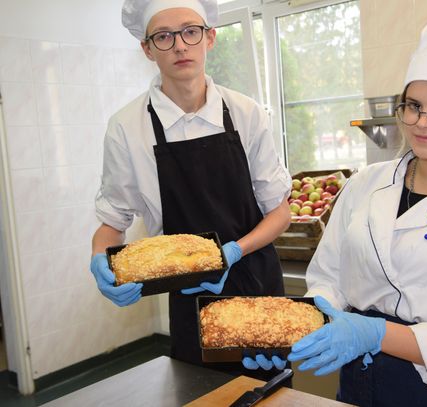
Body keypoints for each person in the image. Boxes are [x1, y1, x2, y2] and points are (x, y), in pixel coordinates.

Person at [245, 10, 427, 406]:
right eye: (412, 105)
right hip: (360, 379)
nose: (422, 121)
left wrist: (375, 333)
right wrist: (307, 322)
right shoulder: (366, 184)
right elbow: (328, 272)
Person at [89, 0, 292, 378]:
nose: (180, 45)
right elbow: (112, 224)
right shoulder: (126, 128)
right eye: (163, 37)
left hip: (259, 284)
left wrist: (231, 253)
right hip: (190, 294)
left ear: (209, 38)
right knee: (201, 392)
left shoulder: (247, 113)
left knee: (273, 393)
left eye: (190, 31)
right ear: (147, 49)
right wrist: (101, 259)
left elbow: (280, 213)